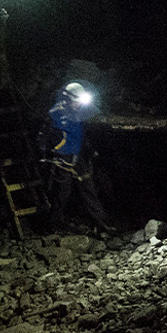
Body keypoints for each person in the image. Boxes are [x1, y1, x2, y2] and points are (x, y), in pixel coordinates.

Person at [45, 81, 111, 232]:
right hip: (63, 157)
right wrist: (56, 153)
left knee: (88, 188)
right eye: (76, 101)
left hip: (78, 155)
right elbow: (49, 139)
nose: (78, 104)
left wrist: (89, 148)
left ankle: (101, 223)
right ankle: (53, 225)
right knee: (62, 191)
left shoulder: (78, 111)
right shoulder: (56, 114)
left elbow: (83, 129)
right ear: (67, 99)